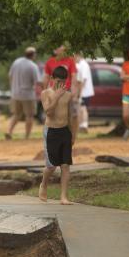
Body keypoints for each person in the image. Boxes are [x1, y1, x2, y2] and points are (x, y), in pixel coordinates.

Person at [39, 66, 78, 205]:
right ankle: (44, 184)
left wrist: (73, 134)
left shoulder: (68, 96)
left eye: (63, 82)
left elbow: (72, 116)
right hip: (51, 131)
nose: (60, 84)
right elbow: (48, 112)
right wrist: (56, 97)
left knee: (65, 165)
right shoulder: (45, 94)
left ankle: (63, 197)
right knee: (51, 166)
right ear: (51, 79)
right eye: (58, 81)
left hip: (64, 131)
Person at [5, 46, 41, 140]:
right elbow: (37, 82)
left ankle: (9, 131)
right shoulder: (33, 66)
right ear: (33, 55)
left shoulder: (16, 62)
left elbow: (10, 76)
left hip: (15, 94)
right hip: (28, 95)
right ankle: (27, 136)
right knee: (29, 115)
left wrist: (13, 87)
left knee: (16, 115)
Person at [74, 52, 93, 132]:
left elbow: (83, 80)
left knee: (83, 108)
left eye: (74, 56)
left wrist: (80, 93)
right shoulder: (80, 64)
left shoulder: (84, 65)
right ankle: (81, 125)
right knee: (81, 108)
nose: (74, 58)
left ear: (78, 55)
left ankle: (84, 125)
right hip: (83, 91)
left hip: (85, 92)